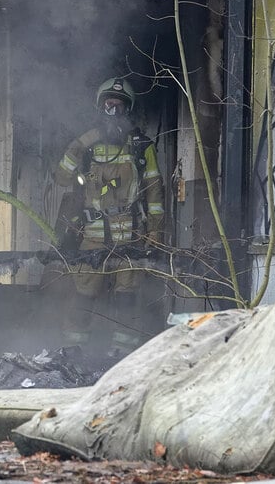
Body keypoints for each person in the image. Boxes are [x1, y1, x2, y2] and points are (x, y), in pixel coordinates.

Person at [45, 76, 165, 357]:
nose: (114, 110)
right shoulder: (86, 145)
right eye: (109, 104)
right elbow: (62, 177)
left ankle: (121, 357)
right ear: (99, 107)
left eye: (120, 105)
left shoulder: (141, 146)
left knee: (127, 299)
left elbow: (154, 191)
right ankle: (73, 353)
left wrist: (155, 231)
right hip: (93, 236)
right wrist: (83, 140)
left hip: (131, 236)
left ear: (129, 109)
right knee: (83, 297)